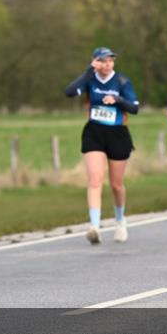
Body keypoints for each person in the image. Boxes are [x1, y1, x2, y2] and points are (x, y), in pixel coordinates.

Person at [64, 47, 139, 244]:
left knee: (116, 184)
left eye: (110, 61)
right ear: (95, 61)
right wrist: (89, 71)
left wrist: (117, 99)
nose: (107, 64)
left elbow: (135, 107)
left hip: (118, 133)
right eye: (103, 61)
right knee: (95, 180)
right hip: (94, 133)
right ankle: (95, 226)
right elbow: (70, 92)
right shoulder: (90, 79)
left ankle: (120, 220)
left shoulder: (122, 81)